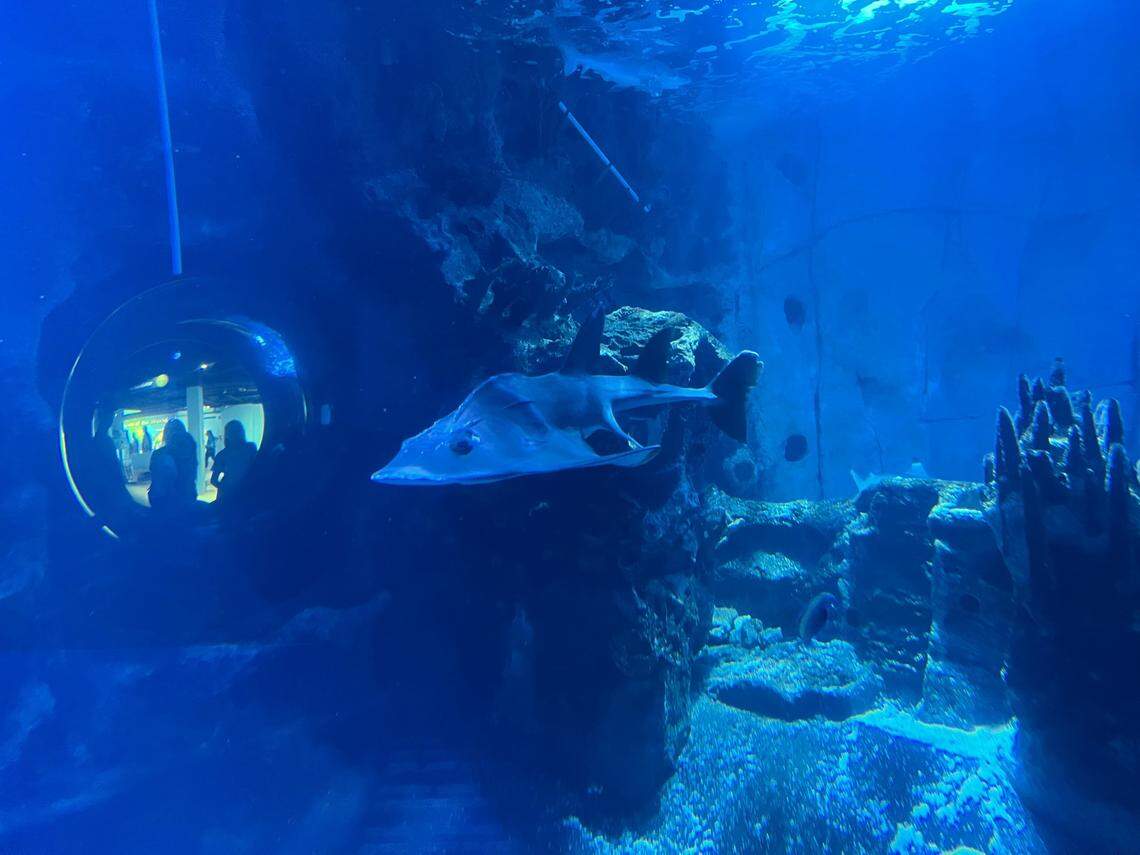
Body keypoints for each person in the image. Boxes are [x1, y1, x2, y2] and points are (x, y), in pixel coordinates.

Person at [148, 418, 198, 510]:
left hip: (166, 501)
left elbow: (156, 479)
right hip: (187, 496)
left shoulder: (159, 454)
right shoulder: (190, 449)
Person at [210, 420, 256, 504]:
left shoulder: (223, 454)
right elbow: (213, 480)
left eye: (236, 432)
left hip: (242, 492)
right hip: (240, 492)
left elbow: (213, 480)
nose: (235, 435)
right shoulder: (250, 448)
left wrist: (226, 489)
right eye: (233, 432)